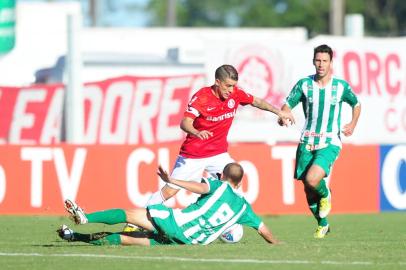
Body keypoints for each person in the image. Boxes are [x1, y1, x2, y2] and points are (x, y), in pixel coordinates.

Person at [145, 64, 295, 207]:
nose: (231, 90)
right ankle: (135, 221)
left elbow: (256, 101)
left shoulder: (235, 94)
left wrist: (279, 112)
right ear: (217, 82)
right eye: (228, 85)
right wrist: (197, 132)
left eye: (233, 86)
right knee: (170, 190)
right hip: (193, 154)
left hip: (218, 154)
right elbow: (185, 123)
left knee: (234, 186)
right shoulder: (202, 97)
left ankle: (226, 227)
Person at [57, 163, 279, 246]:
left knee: (128, 215)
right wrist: (277, 245)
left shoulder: (217, 186)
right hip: (189, 243)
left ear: (222, 176)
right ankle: (74, 237)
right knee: (126, 240)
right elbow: (264, 231)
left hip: (175, 224)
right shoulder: (243, 207)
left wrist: (171, 180)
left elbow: (198, 187)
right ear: (240, 182)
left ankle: (86, 218)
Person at [278, 44, 361, 238]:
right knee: (308, 188)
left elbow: (356, 104)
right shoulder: (304, 84)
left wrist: (352, 123)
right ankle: (322, 223)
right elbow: (287, 105)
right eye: (318, 60)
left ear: (331, 62)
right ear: (313, 61)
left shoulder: (341, 86)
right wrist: (283, 115)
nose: (321, 64)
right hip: (307, 142)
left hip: (330, 141)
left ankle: (326, 194)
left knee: (313, 179)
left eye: (325, 61)